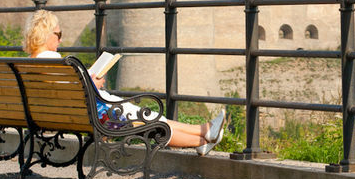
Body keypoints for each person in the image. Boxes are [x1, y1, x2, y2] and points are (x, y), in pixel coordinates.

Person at [24, 10, 225, 155]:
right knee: (150, 120)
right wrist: (94, 82)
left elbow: (66, 92)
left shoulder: (31, 61)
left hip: (69, 116)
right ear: (46, 34)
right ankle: (204, 131)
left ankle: (202, 136)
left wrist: (90, 81)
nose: (60, 40)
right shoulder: (51, 59)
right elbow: (77, 92)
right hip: (101, 114)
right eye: (58, 34)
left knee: (151, 120)